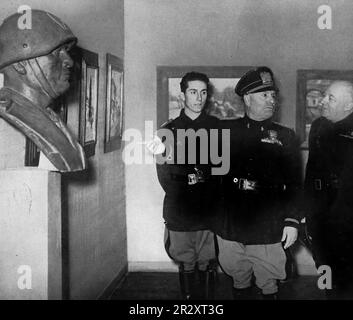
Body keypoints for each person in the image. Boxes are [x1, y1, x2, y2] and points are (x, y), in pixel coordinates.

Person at [211, 67, 302, 300]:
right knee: (237, 276)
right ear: (247, 98)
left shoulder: (285, 136)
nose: (272, 101)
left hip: (267, 221)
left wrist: (292, 221)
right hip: (231, 221)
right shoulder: (225, 131)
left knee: (268, 281)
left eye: (273, 95)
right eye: (264, 95)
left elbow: (294, 184)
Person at [154, 72, 219, 300]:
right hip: (181, 209)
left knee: (207, 261)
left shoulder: (217, 128)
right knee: (186, 262)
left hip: (210, 210)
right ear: (182, 95)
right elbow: (165, 176)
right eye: (193, 92)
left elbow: (224, 171)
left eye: (203, 92)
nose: (199, 98)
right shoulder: (168, 130)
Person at [0, 9, 86, 172]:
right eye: (55, 53)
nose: (69, 61)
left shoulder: (50, 116)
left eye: (66, 52)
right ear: (20, 64)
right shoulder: (11, 110)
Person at [304, 81, 353, 299]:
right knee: (325, 270)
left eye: (330, 98)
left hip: (347, 220)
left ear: (349, 105)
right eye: (324, 96)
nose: (322, 101)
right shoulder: (318, 127)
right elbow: (311, 172)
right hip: (320, 218)